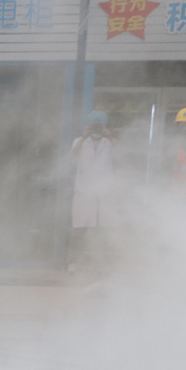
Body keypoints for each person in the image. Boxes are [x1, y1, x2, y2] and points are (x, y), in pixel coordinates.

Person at [68, 110, 117, 275]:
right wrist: (83, 138)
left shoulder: (110, 142)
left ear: (105, 126)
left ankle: (103, 265)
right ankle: (73, 263)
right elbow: (72, 156)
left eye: (100, 125)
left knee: (103, 230)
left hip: (104, 193)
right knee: (79, 230)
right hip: (84, 193)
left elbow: (121, 157)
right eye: (93, 125)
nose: (96, 129)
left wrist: (110, 137)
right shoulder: (79, 142)